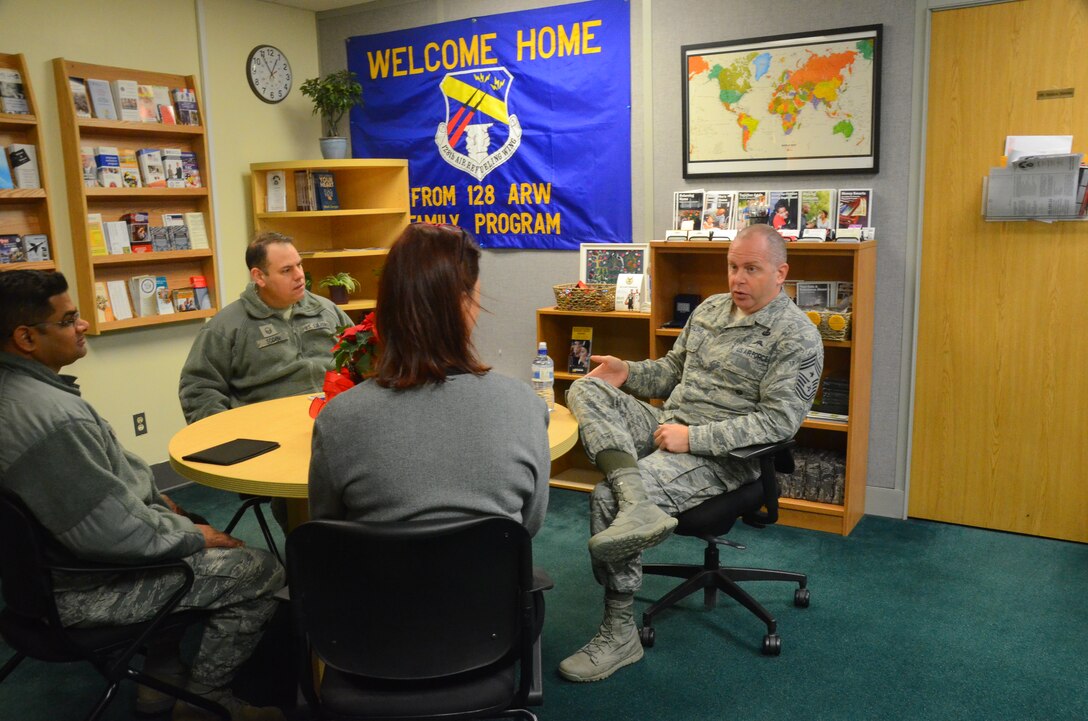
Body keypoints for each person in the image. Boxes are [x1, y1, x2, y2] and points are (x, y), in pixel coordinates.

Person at [0, 270, 285, 721]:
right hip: (81, 588)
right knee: (260, 570)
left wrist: (164, 507)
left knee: (183, 522)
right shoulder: (53, 419)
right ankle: (207, 702)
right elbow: (114, 534)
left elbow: (104, 497)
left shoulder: (20, 396)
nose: (83, 326)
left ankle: (162, 672)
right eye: (69, 319)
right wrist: (194, 536)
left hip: (40, 579)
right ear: (26, 338)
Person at [558, 224, 824, 683]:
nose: (737, 279)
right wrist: (629, 371)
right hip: (669, 430)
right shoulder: (711, 309)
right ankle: (636, 497)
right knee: (587, 388)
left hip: (722, 457)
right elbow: (669, 373)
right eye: (732, 267)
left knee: (605, 498)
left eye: (751, 269)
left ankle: (619, 634)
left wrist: (693, 438)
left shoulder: (796, 338)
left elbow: (777, 425)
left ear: (781, 272)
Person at [309, 223, 550, 536]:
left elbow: (327, 530)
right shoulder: (525, 407)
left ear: (388, 304)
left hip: (376, 582)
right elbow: (529, 525)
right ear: (468, 304)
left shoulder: (339, 419)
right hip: (489, 582)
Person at [179, 231, 351, 424]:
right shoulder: (226, 327)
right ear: (259, 276)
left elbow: (362, 358)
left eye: (299, 265)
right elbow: (198, 388)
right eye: (286, 270)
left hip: (336, 416)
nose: (299, 275)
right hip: (269, 427)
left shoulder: (327, 310)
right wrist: (225, 432)